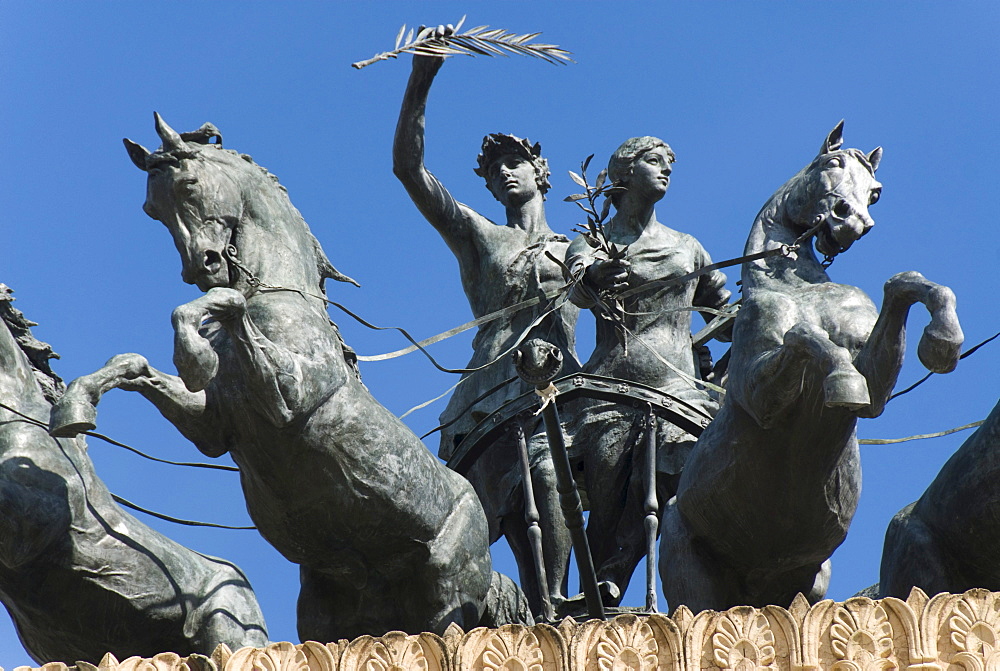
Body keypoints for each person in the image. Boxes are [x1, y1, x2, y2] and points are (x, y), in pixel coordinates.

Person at [393, 52, 580, 617]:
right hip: (485, 396)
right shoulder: (481, 237)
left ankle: (552, 607)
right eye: (494, 166)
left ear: (539, 170)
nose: (503, 170)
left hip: (554, 394)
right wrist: (421, 78)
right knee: (456, 520)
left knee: (547, 480)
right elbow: (409, 169)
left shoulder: (578, 249)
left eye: (514, 159)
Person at [565, 136, 732, 602]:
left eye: (669, 165)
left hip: (677, 393)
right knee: (606, 501)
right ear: (625, 174)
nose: (666, 170)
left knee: (674, 471)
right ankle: (593, 592)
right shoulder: (595, 242)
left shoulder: (687, 248)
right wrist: (594, 277)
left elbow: (722, 319)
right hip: (610, 394)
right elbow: (578, 285)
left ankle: (617, 570)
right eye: (654, 161)